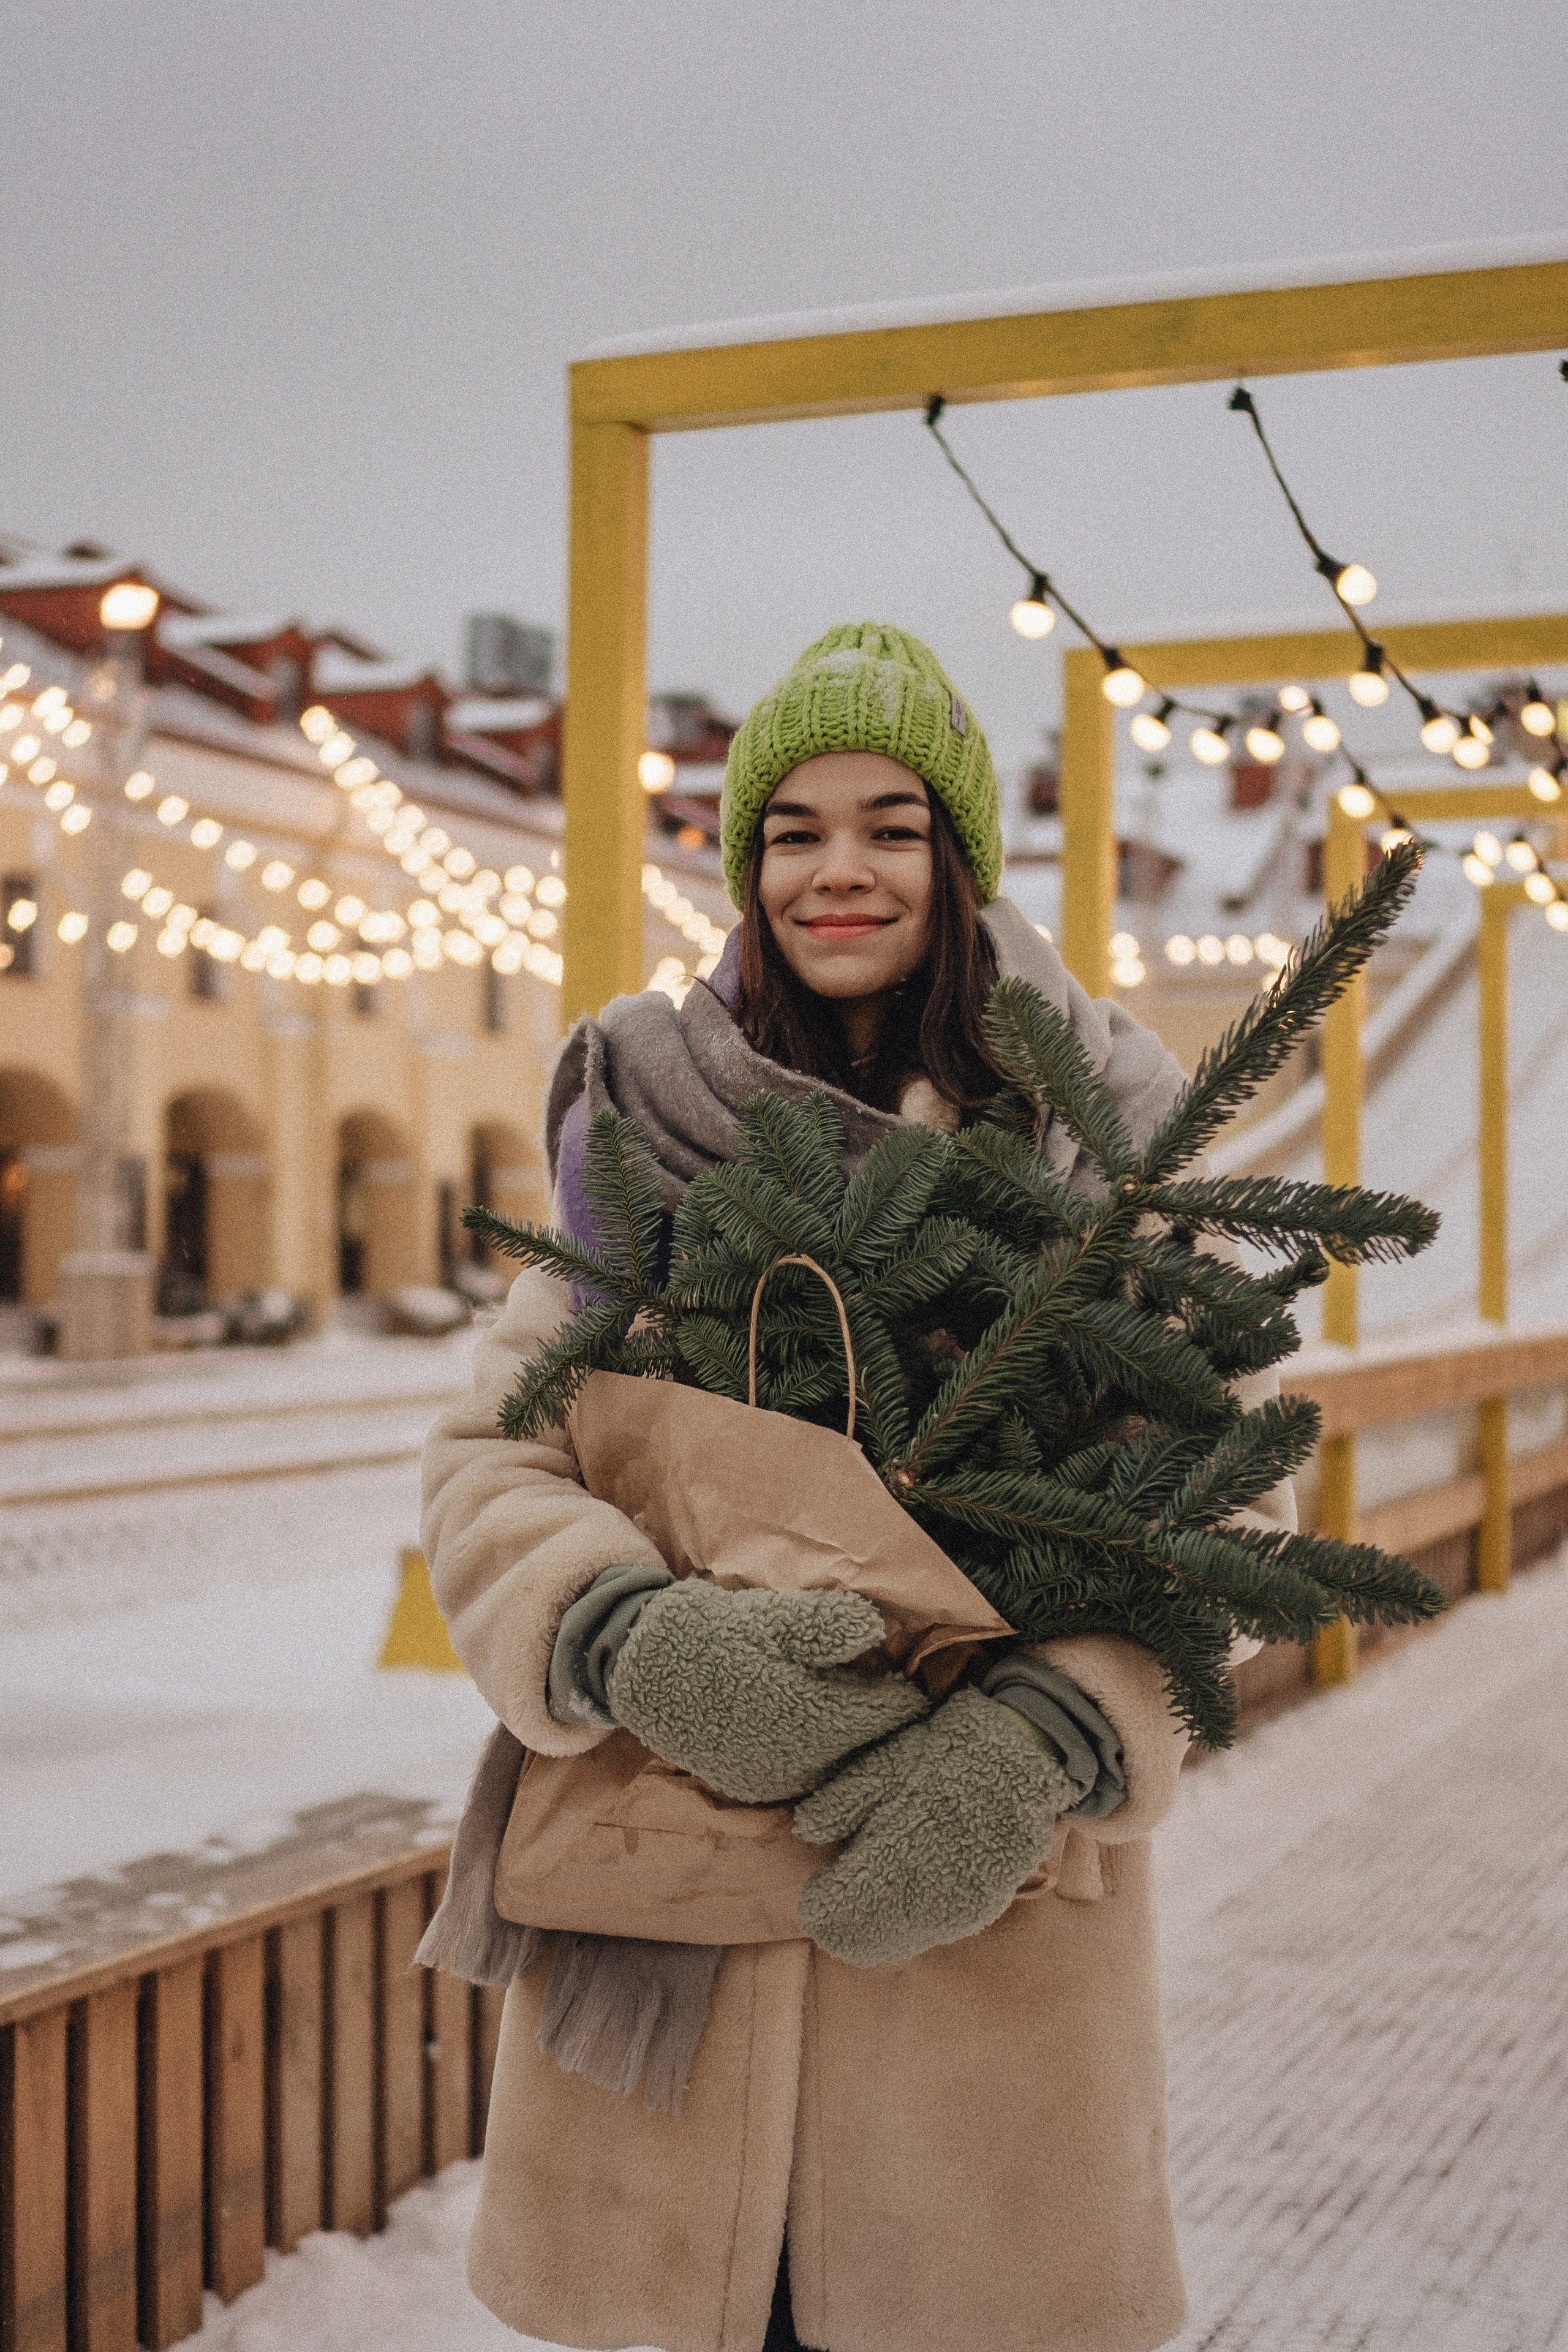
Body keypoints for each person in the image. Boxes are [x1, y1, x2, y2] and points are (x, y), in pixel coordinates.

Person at [420, 623, 1294, 2352]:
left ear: (958, 858)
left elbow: (1224, 1507)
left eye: (891, 825)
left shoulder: (1098, 1145)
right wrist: (625, 1637)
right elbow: (493, 1454)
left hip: (986, 1958)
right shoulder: (638, 1135)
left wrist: (1053, 1735)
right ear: (746, 866)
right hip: (668, 1935)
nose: (841, 871)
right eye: (794, 830)